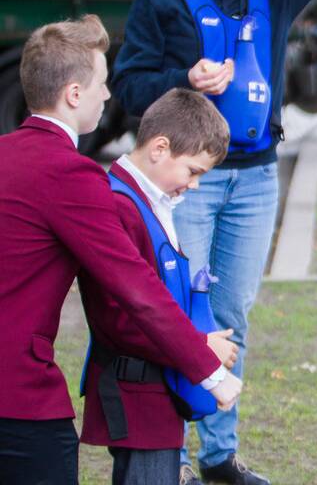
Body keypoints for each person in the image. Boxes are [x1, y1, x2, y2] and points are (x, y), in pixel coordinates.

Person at [112, 0, 317, 485]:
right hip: (187, 182)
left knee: (231, 316)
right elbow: (128, 89)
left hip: (256, 178)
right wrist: (183, 79)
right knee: (182, 314)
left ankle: (220, 457)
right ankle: (179, 459)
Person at [0, 16, 241, 485]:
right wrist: (210, 370)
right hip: (17, 393)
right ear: (74, 94)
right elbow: (135, 287)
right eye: (103, 84)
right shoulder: (72, 175)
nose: (108, 96)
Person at [79, 88, 238, 485]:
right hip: (138, 392)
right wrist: (199, 349)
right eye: (193, 171)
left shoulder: (152, 202)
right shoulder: (119, 206)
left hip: (156, 389)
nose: (195, 185)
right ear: (159, 148)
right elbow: (122, 316)